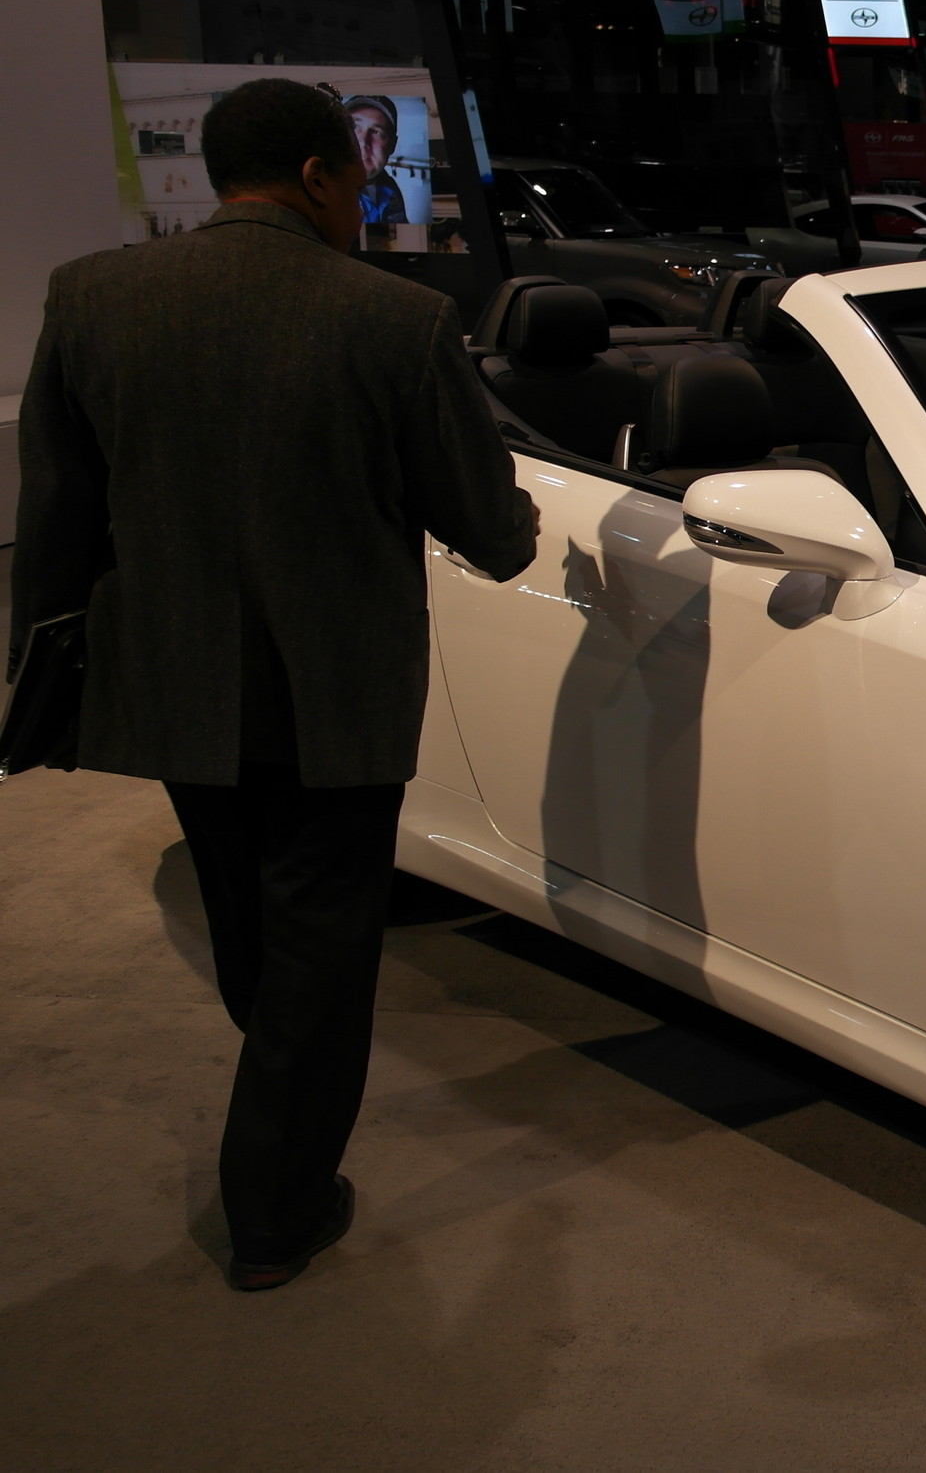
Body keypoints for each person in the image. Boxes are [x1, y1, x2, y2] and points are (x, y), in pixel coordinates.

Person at [9, 78, 538, 1290]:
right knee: (319, 945)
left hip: (174, 688)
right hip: (336, 697)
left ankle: (282, 1111)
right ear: (315, 175)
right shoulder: (393, 322)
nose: (368, 201)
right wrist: (509, 520)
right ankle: (276, 1212)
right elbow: (489, 525)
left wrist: (45, 667)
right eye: (361, 180)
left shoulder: (92, 297)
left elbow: (54, 518)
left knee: (254, 923)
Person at [342, 93, 409, 226]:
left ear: (392, 145)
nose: (363, 142)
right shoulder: (323, 194)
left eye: (375, 132)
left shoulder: (391, 190)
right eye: (354, 128)